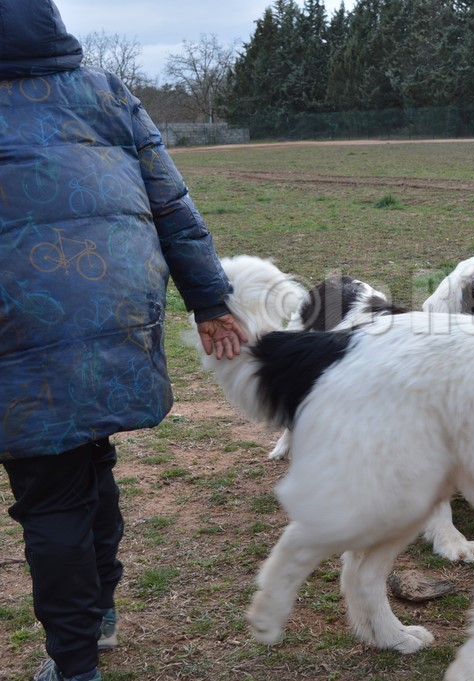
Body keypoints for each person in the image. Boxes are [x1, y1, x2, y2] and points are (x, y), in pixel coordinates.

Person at [0, 2, 249, 679]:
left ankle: (75, 662)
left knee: (50, 490)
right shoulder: (104, 93)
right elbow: (172, 205)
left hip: (18, 324)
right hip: (114, 304)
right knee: (88, 457)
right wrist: (208, 300)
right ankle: (100, 610)